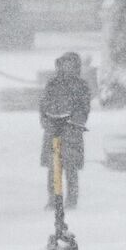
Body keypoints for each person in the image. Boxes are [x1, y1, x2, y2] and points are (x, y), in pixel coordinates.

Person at [39, 52, 91, 209]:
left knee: (71, 167)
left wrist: (74, 124)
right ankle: (54, 197)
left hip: (71, 131)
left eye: (70, 63)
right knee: (54, 167)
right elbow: (44, 105)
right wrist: (47, 121)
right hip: (53, 130)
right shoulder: (53, 83)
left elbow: (84, 108)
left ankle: (72, 199)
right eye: (64, 63)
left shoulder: (81, 86)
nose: (67, 67)